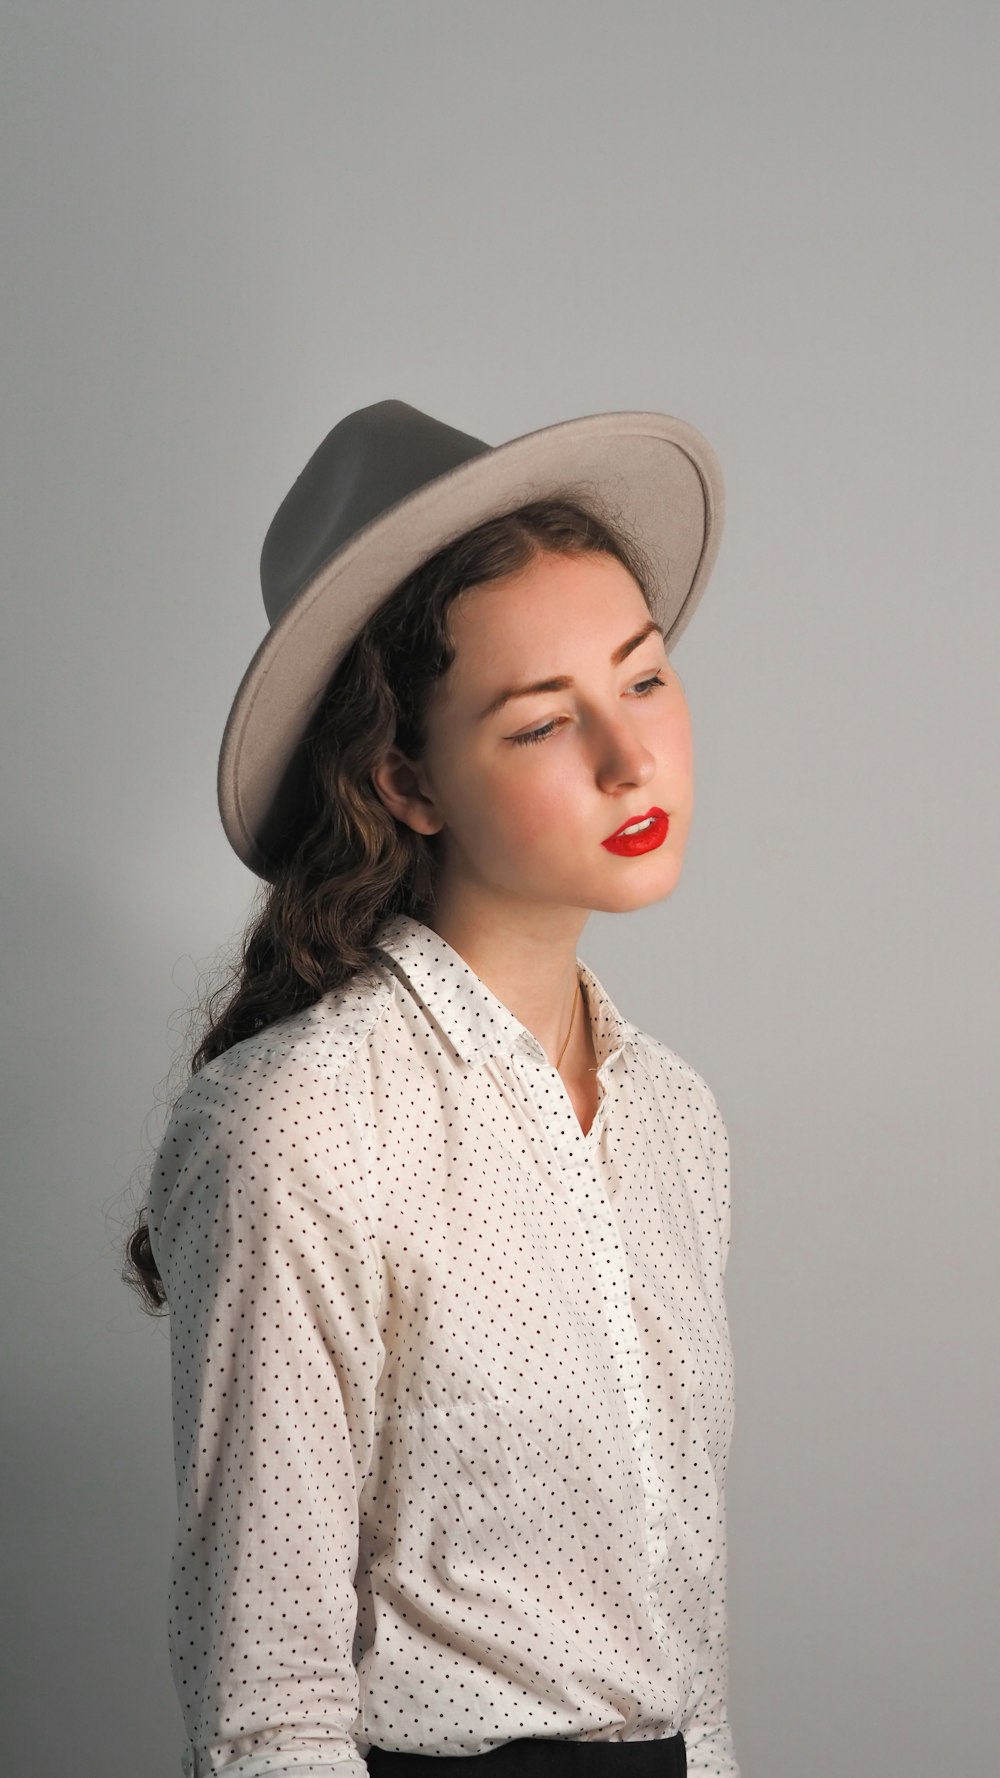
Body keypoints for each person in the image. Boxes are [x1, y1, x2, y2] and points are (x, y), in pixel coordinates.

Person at [127, 398, 738, 1778]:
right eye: (541, 723)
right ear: (406, 777)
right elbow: (266, 1713)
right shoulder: (302, 1129)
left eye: (643, 678)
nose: (631, 758)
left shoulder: (674, 1121)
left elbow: (685, 1662)